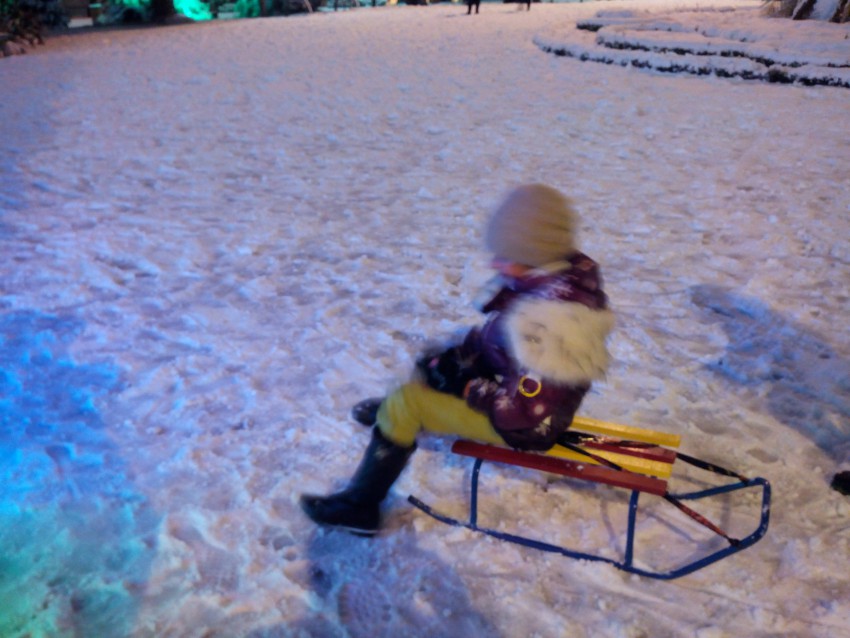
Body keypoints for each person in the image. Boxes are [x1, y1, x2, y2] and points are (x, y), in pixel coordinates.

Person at [300, 183, 615, 536]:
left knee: (408, 401)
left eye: (504, 256)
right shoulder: (548, 279)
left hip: (525, 425)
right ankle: (395, 419)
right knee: (441, 360)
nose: (494, 263)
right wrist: (462, 357)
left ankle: (359, 507)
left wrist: (470, 389)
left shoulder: (553, 321)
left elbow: (524, 413)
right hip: (516, 388)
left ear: (531, 256)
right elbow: (504, 336)